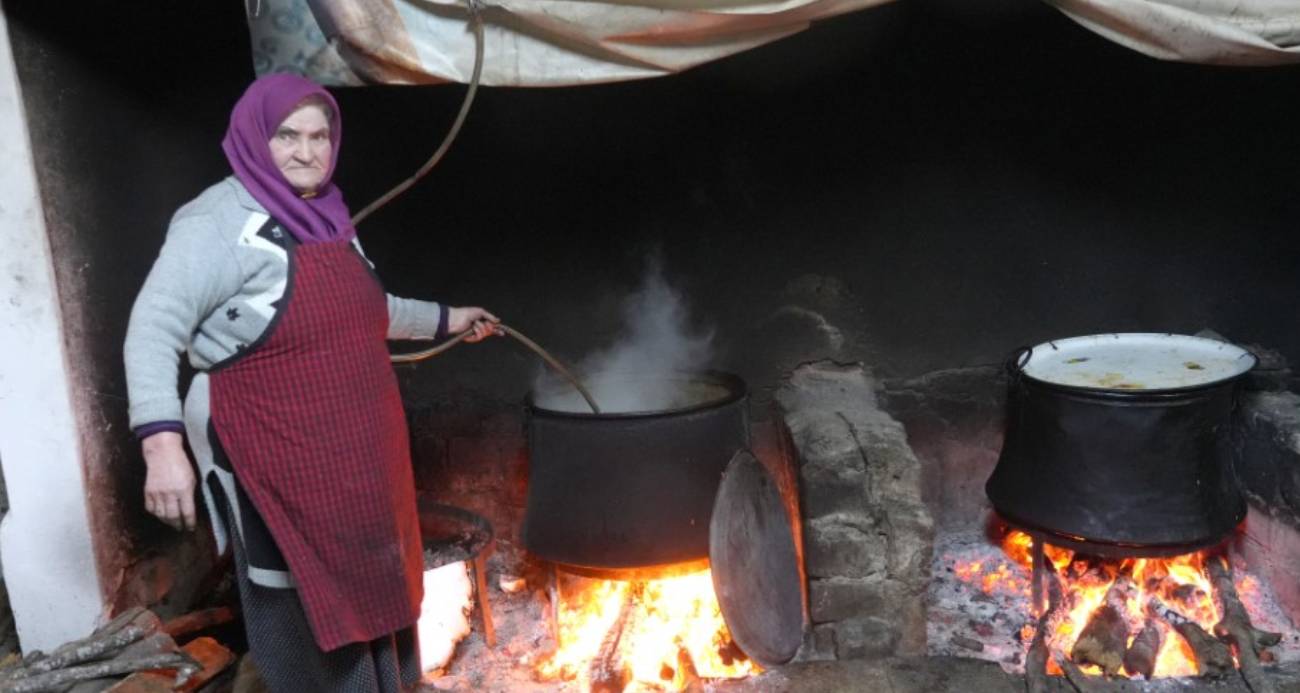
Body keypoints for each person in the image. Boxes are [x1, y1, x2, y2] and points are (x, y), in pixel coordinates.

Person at [124, 74, 498, 692]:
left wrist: (446, 319)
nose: (307, 152)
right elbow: (152, 328)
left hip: (359, 453)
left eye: (320, 136)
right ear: (254, 139)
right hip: (275, 448)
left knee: (374, 582)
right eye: (287, 136)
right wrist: (161, 445)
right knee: (303, 593)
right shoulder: (217, 221)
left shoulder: (323, 214)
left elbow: (364, 311)